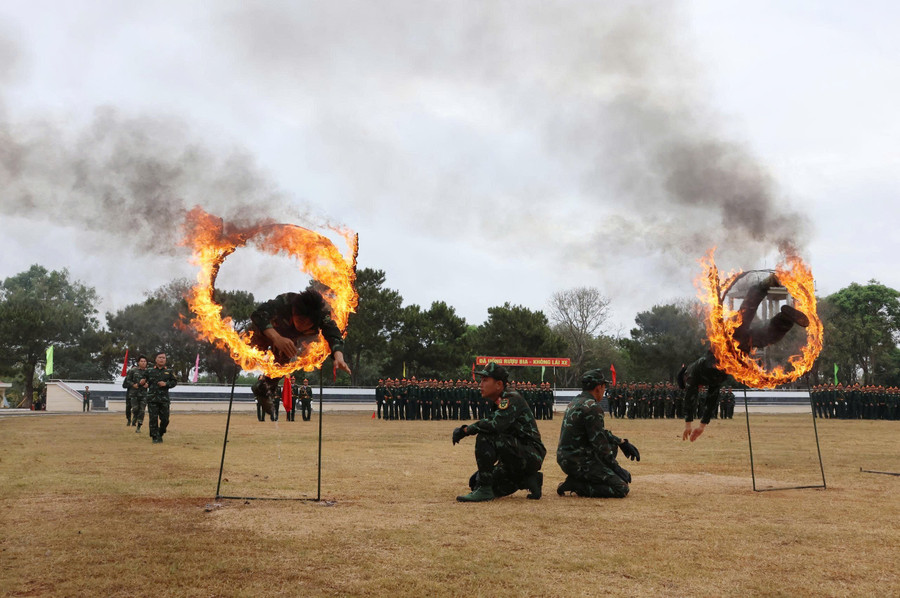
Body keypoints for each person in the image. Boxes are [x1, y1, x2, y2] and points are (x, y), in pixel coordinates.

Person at [680, 273, 809, 441]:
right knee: (767, 337)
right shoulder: (711, 382)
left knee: (746, 312)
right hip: (741, 349)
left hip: (729, 342)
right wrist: (702, 426)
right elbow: (711, 401)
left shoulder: (691, 374)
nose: (694, 388)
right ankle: (786, 319)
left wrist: (688, 424)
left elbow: (690, 397)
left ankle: (765, 285)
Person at [452, 362, 546, 502]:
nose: (480, 384)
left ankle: (485, 489)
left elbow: (494, 425)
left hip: (530, 454)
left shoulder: (511, 398)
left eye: (485, 380)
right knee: (474, 482)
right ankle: (529, 479)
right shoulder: (498, 400)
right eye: (481, 380)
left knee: (485, 436)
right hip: (516, 455)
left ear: (498, 384)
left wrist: (466, 430)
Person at [556, 369, 640, 498]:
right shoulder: (592, 407)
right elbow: (600, 444)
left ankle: (581, 478)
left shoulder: (576, 401)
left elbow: (598, 432)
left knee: (613, 445)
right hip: (578, 461)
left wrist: (622, 442)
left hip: (567, 458)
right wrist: (617, 469)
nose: (604, 391)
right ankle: (577, 484)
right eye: (604, 387)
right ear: (598, 387)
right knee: (620, 488)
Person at [145, 352, 178, 443]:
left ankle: (161, 431)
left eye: (163, 358)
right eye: (159, 357)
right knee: (153, 419)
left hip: (164, 400)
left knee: (165, 419)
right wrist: (144, 383)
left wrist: (166, 384)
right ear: (156, 359)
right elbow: (144, 380)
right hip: (152, 399)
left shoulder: (169, 371)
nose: (161, 359)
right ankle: (155, 437)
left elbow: (174, 382)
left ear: (165, 360)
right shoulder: (150, 371)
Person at [124, 355, 150, 433]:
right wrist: (133, 384)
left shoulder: (148, 371)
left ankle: (138, 426)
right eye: (141, 361)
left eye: (145, 361)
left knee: (142, 410)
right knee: (135, 409)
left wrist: (148, 384)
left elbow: (152, 380)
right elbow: (127, 380)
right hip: (134, 393)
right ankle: (133, 418)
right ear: (138, 362)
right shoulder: (133, 371)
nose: (143, 363)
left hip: (144, 394)